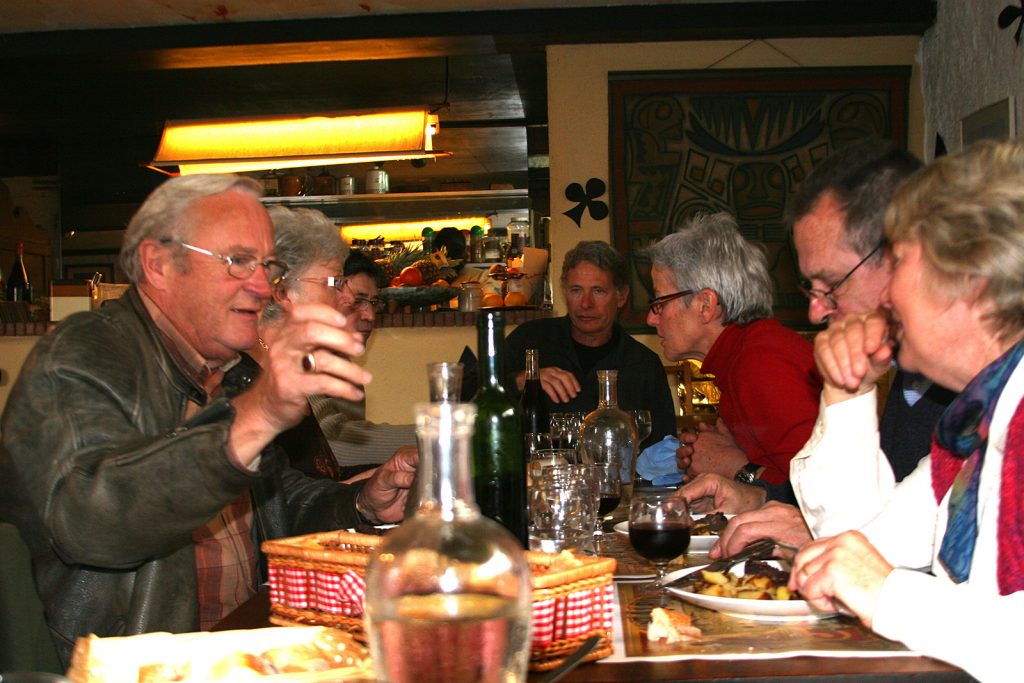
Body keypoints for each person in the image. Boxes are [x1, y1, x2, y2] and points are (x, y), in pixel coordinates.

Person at [0, 175, 416, 665]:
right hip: (126, 665)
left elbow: (280, 502)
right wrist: (256, 415)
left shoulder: (227, 371)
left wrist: (362, 504)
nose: (263, 287)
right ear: (158, 264)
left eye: (268, 266)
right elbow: (91, 522)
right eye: (237, 261)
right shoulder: (83, 355)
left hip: (233, 648)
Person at [787, 139, 1024, 682]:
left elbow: (873, 579)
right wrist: (848, 391)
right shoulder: (972, 427)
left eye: (903, 262)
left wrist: (889, 593)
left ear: (972, 286)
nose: (889, 296)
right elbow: (850, 549)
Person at [681, 140, 955, 555]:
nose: (815, 311)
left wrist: (818, 533)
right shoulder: (912, 372)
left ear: (907, 256)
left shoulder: (979, 382)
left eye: (833, 284)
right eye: (811, 287)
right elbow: (892, 522)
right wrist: (762, 500)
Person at [646, 212, 822, 485]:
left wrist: (735, 467)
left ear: (705, 304)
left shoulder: (763, 364)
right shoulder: (744, 356)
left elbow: (825, 489)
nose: (651, 318)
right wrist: (721, 453)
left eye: (660, 302)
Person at [503, 240, 676, 444]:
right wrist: (521, 381)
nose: (586, 304)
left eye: (598, 291)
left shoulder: (643, 365)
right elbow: (467, 397)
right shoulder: (529, 340)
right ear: (564, 292)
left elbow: (665, 451)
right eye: (576, 290)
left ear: (621, 297)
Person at [250, 205, 352, 481]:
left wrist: (366, 493)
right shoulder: (245, 381)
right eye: (335, 282)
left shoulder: (291, 366)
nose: (348, 297)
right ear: (281, 291)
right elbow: (277, 508)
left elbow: (311, 485)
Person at [313, 249, 418, 472]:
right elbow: (331, 443)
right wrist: (443, 434)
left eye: (373, 303)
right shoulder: (296, 360)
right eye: (357, 301)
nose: (369, 315)